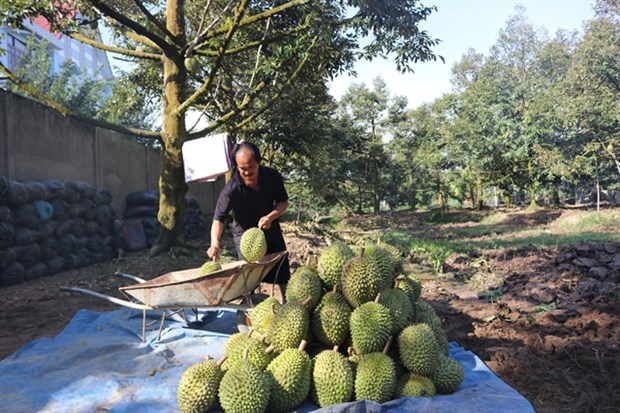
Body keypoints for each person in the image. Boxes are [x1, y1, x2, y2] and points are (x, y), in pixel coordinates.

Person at [207, 141, 291, 297]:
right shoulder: (231, 188)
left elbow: (283, 202)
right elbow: (219, 218)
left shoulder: (272, 176)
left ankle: (287, 302)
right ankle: (248, 308)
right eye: (242, 169)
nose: (246, 172)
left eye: (250, 167)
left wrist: (270, 217)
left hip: (269, 229)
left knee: (282, 272)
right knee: (248, 279)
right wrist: (215, 244)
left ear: (258, 162)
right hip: (245, 237)